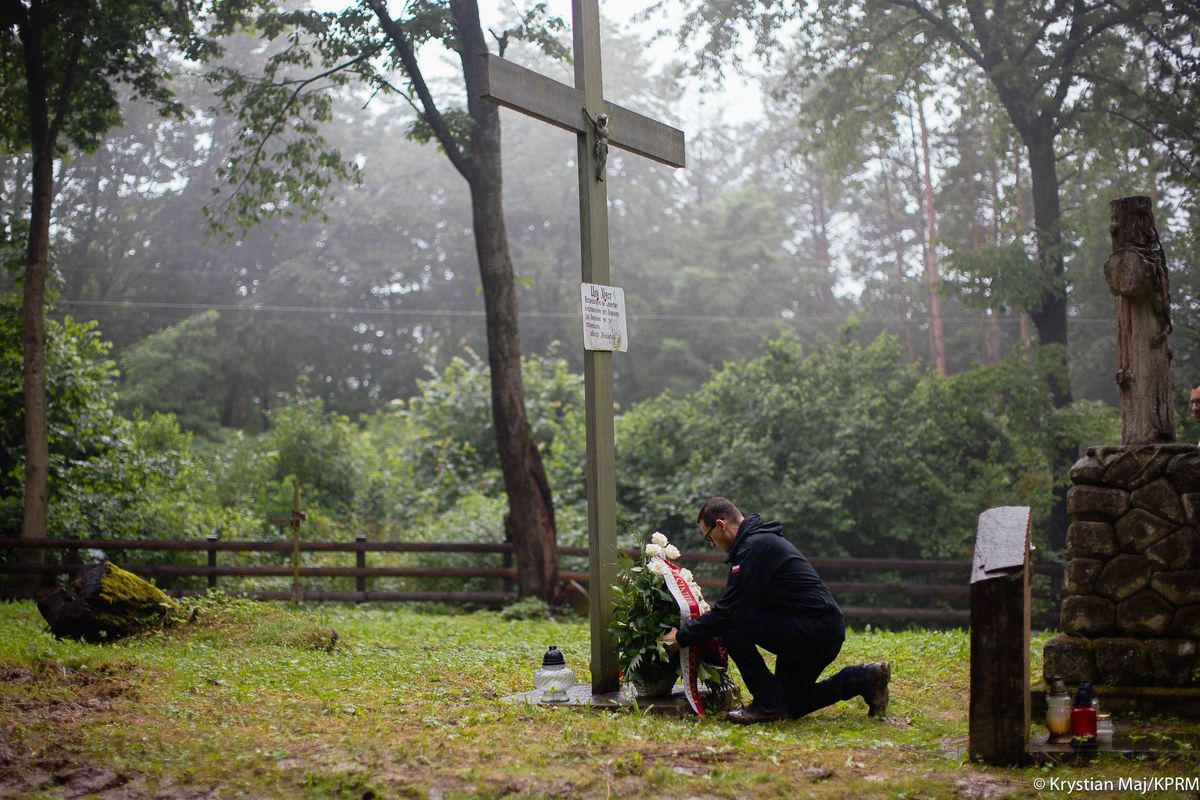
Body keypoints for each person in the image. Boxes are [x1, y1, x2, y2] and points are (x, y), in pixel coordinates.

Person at [662, 497, 890, 724]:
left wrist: (681, 637)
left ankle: (766, 703)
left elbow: (729, 612)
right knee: (792, 704)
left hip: (815, 630)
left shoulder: (755, 547)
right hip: (818, 628)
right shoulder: (756, 544)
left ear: (721, 525)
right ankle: (863, 678)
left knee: (732, 623)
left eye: (709, 537)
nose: (712, 544)